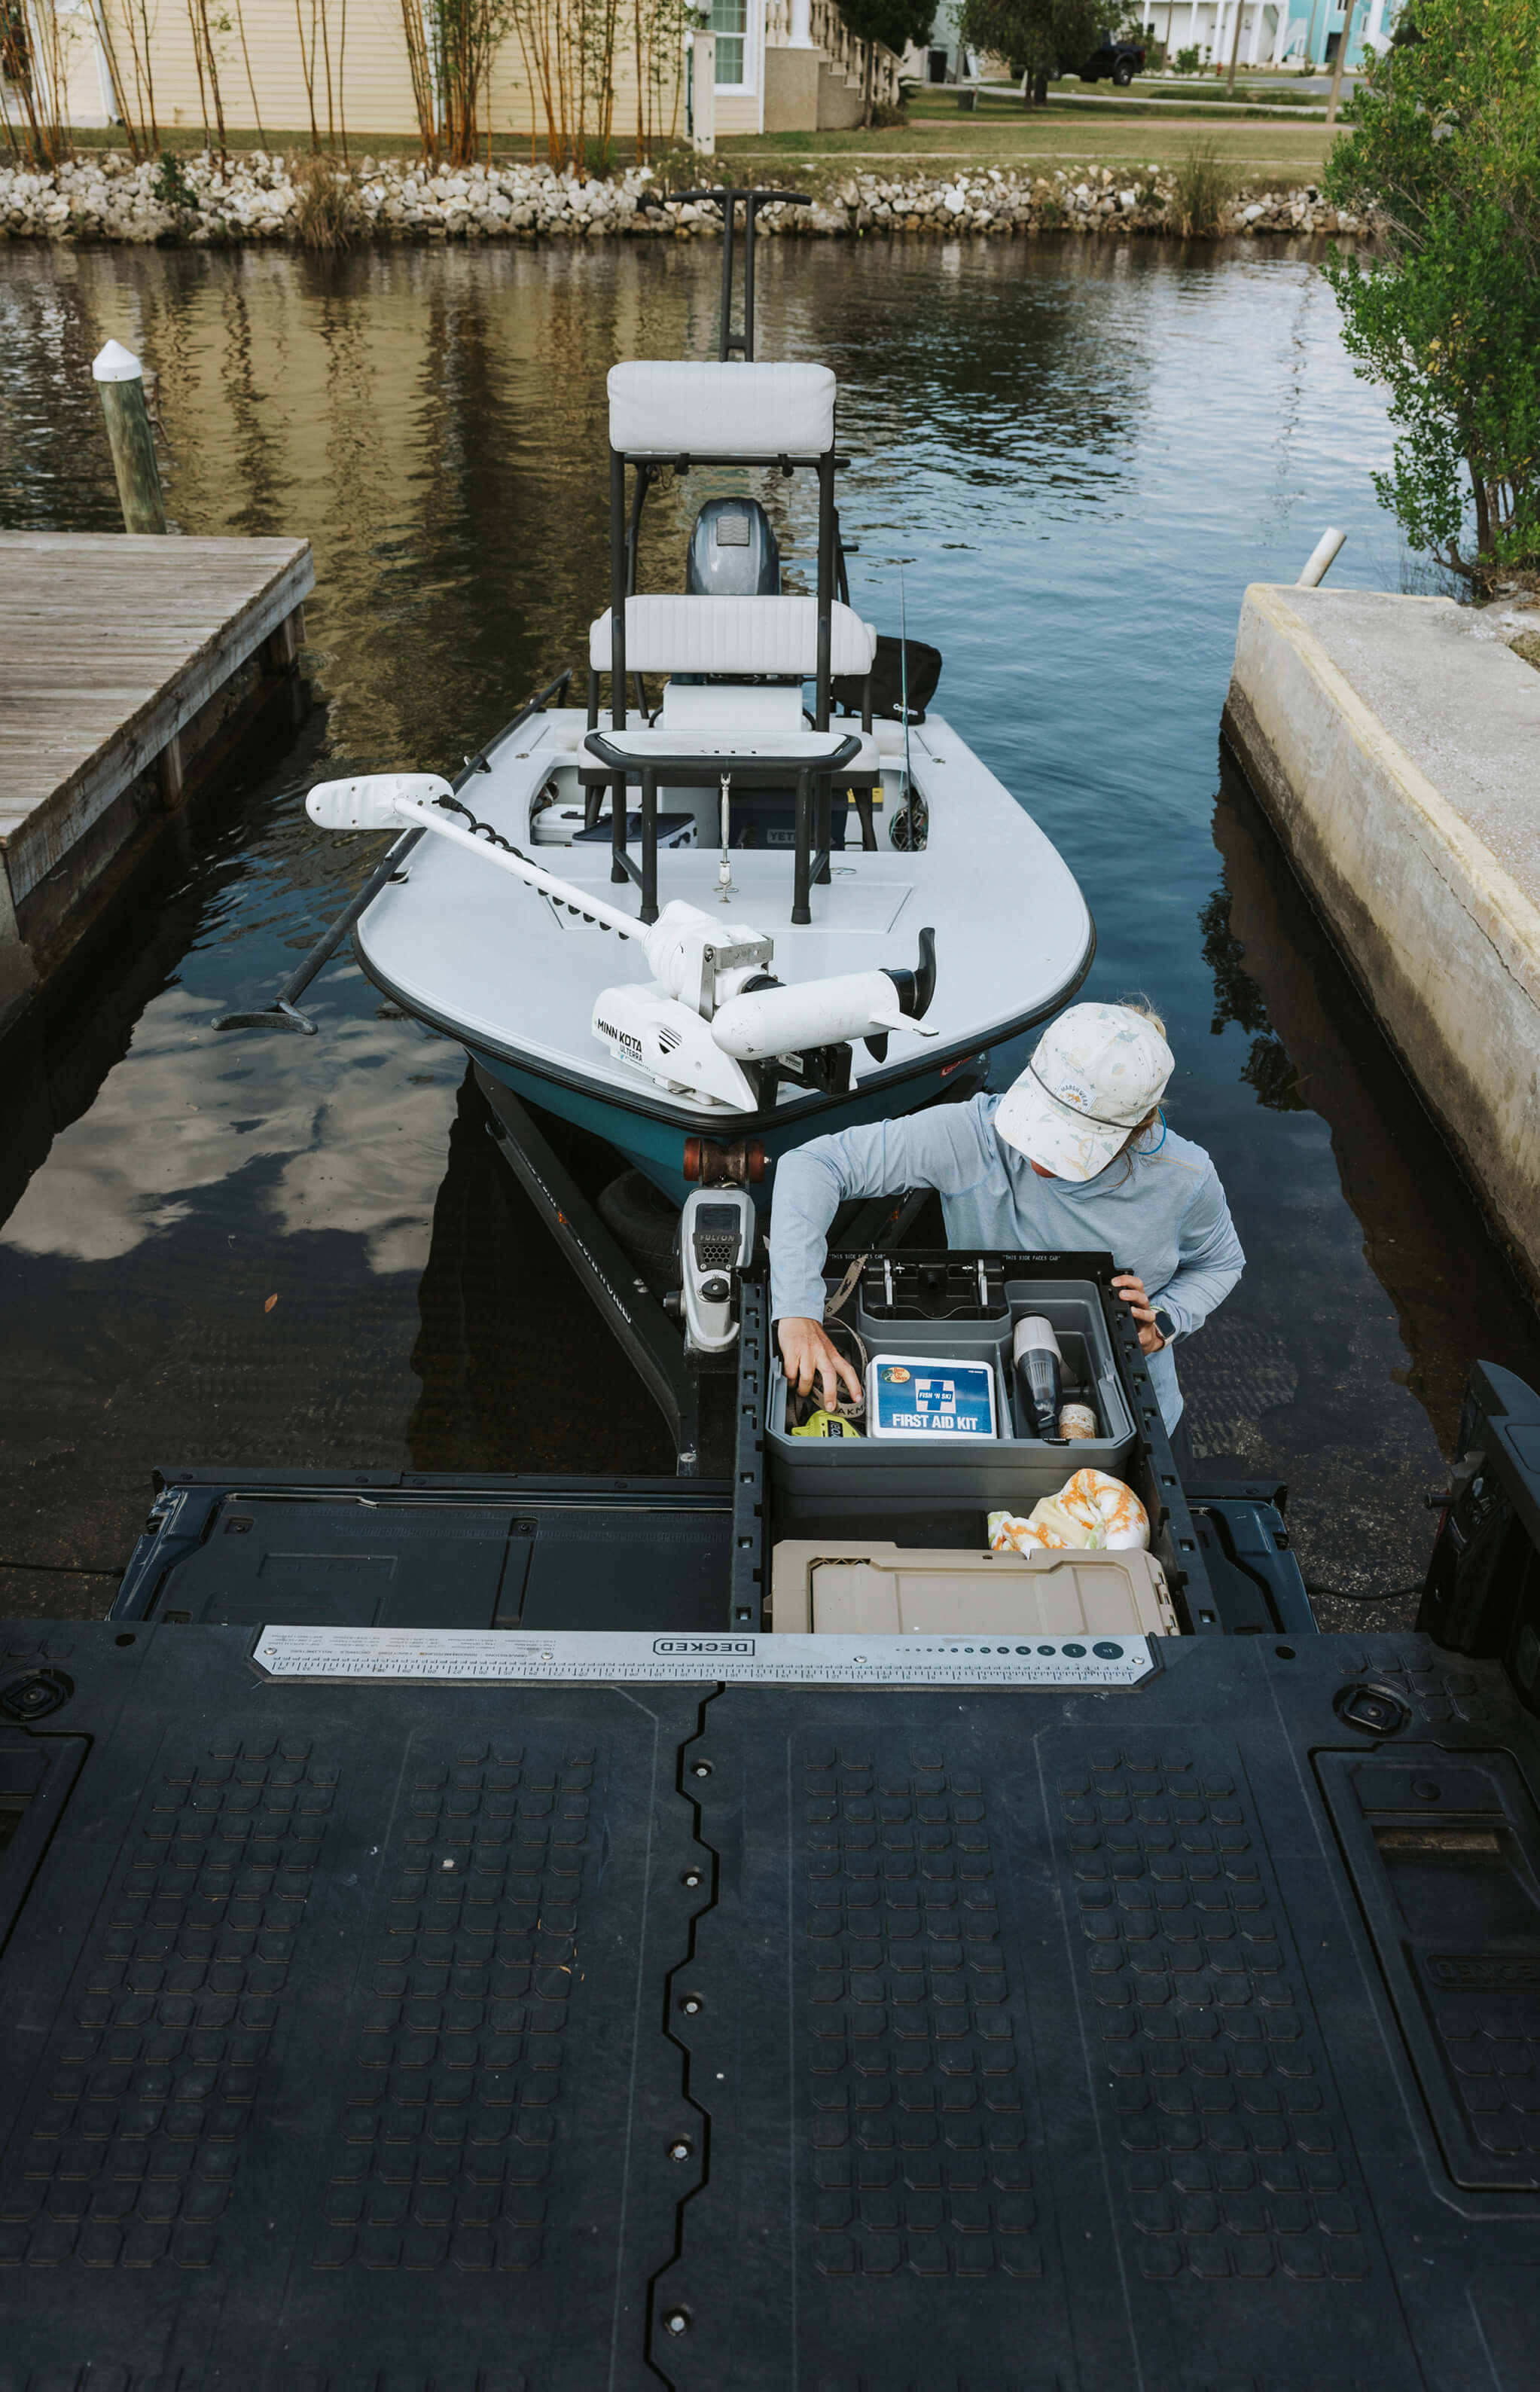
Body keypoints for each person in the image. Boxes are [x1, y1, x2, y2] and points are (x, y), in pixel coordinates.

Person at [770, 1001, 1243, 1475]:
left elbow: (1220, 1263)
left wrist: (1163, 1322)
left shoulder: (1186, 1178)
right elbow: (814, 1164)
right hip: (980, 1381)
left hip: (1135, 1408)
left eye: (1069, 1144)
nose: (1038, 1159)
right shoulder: (972, 1137)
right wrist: (796, 1309)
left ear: (1137, 1129)